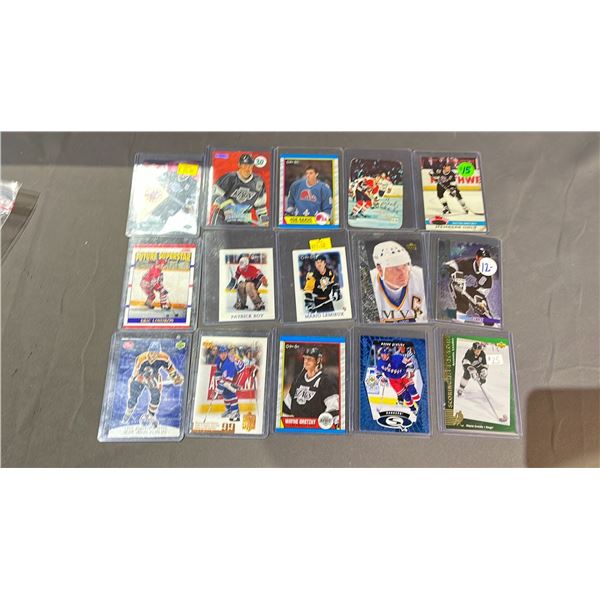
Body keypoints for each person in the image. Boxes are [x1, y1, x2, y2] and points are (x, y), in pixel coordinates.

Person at [122, 341, 184, 427]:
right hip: (141, 376)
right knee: (133, 396)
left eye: (155, 353)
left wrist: (175, 377)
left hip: (154, 376)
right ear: (149, 351)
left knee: (156, 396)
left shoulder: (164, 357)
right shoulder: (141, 358)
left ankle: (151, 416)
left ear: (159, 353)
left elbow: (170, 369)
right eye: (151, 353)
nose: (153, 355)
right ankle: (127, 414)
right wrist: (134, 381)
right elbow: (135, 373)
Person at [369, 241, 427, 322]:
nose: (403, 273)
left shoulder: (420, 277)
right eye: (396, 269)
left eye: (405, 266)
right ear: (380, 270)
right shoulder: (368, 283)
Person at [282, 347, 339, 421]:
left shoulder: (326, 381)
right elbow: (287, 407)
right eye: (305, 358)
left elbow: (333, 409)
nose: (306, 361)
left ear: (318, 360)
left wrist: (321, 425)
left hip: (316, 426)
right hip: (297, 425)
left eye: (309, 359)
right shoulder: (298, 379)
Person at [211, 153, 268, 226]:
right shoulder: (229, 178)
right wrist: (226, 206)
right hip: (223, 219)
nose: (247, 168)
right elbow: (214, 196)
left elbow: (260, 206)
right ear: (239, 165)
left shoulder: (258, 182)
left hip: (244, 221)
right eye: (244, 165)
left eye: (250, 165)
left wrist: (264, 221)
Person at [444, 248, 495, 322]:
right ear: (477, 257)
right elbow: (451, 265)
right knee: (462, 305)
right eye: (482, 259)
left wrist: (481, 303)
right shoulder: (467, 262)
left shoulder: (487, 275)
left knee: (483, 311)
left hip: (474, 291)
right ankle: (458, 319)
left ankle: (490, 323)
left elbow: (482, 293)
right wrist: (453, 272)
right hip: (459, 286)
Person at [376, 344, 421, 413]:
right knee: (406, 396)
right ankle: (413, 410)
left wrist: (410, 370)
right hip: (393, 381)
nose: (382, 356)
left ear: (388, 354)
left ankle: (421, 407)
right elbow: (378, 373)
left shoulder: (397, 358)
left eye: (384, 354)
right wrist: (382, 379)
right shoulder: (380, 363)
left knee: (412, 390)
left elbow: (409, 363)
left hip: (403, 376)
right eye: (381, 354)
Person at [213, 346, 245, 422]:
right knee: (225, 392)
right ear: (219, 354)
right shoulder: (218, 359)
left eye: (224, 353)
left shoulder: (229, 363)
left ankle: (235, 412)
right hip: (233, 373)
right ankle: (229, 410)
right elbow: (219, 371)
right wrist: (219, 383)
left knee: (230, 391)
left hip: (242, 373)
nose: (223, 355)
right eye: (221, 353)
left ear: (227, 353)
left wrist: (219, 387)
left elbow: (227, 382)